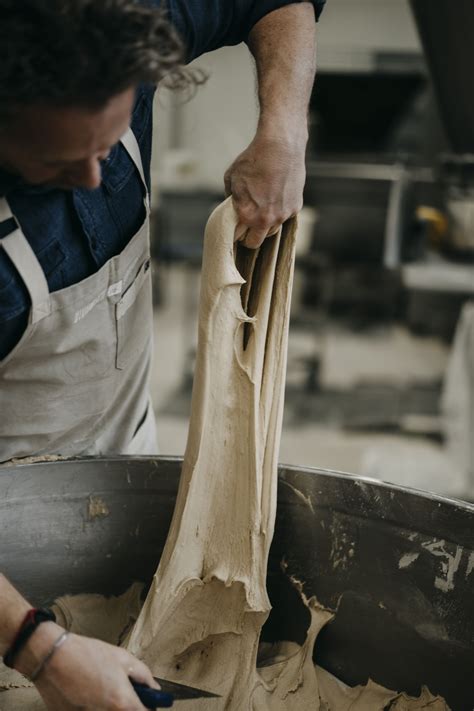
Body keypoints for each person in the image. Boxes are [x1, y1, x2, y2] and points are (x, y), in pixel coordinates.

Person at [0, 0, 324, 707]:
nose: (94, 179)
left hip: (124, 442)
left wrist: (284, 130)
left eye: (111, 144)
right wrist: (39, 647)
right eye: (57, 161)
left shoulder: (106, 28)